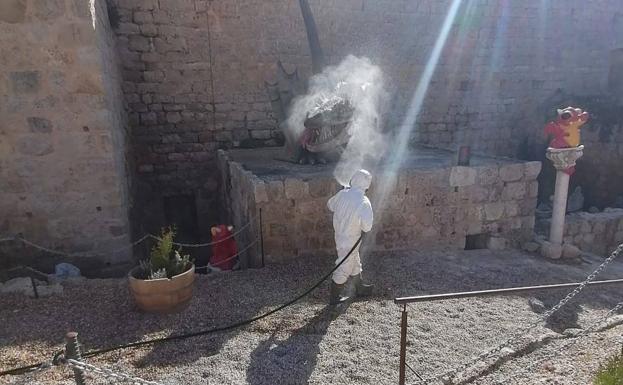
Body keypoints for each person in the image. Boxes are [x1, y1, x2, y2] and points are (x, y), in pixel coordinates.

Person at [327, 169, 374, 305]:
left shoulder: (342, 194)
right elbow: (367, 227)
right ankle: (334, 297)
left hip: (339, 235)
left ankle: (359, 288)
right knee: (344, 266)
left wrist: (343, 197)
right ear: (366, 185)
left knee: (354, 261)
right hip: (351, 239)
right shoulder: (364, 202)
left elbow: (330, 205)